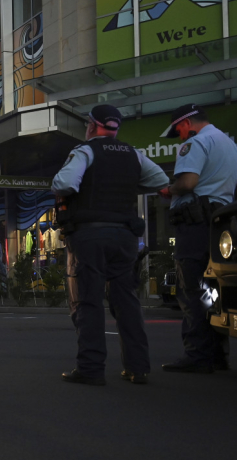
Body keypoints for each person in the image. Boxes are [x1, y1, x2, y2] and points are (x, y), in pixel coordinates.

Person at [51, 104, 169, 386]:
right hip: (125, 238)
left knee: (88, 301)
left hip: (90, 237)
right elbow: (162, 182)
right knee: (126, 302)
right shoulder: (134, 155)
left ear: (91, 126)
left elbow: (64, 184)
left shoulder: (86, 151)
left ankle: (91, 368)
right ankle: (137, 368)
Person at [157, 104, 237, 373]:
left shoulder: (195, 143)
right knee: (212, 291)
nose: (180, 137)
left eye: (178, 131)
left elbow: (188, 183)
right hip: (221, 224)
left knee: (191, 288)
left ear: (185, 124)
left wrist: (170, 189)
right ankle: (218, 354)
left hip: (195, 225)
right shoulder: (227, 142)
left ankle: (196, 355)